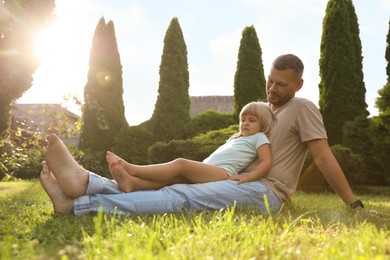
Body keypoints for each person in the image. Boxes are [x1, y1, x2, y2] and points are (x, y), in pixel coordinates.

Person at [40, 54, 372, 216]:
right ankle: (85, 182)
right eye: (270, 81)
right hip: (235, 179)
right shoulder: (264, 114)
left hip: (263, 191)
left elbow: (323, 156)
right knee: (171, 184)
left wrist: (354, 204)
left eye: (281, 84)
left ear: (298, 84)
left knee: (180, 197)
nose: (272, 88)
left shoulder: (302, 108)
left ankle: (78, 205)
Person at [106, 101, 275, 192]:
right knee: (171, 180)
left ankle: (133, 169)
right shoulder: (236, 138)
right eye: (243, 120)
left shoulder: (259, 137)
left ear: (263, 124)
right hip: (209, 168)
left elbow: (266, 162)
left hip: (222, 173)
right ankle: (132, 183)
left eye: (252, 121)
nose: (245, 123)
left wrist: (248, 177)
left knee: (181, 163)